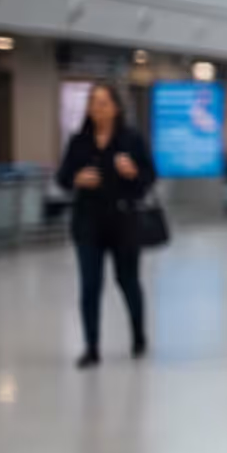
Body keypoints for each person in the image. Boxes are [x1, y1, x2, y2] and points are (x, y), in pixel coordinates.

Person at [54, 82, 156, 368]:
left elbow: (149, 178)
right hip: (88, 223)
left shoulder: (131, 140)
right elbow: (62, 177)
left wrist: (133, 172)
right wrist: (77, 179)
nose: (97, 109)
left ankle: (138, 335)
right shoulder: (79, 142)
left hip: (123, 222)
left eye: (103, 103)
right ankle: (91, 346)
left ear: (115, 108)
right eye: (93, 103)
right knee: (89, 285)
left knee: (127, 281)